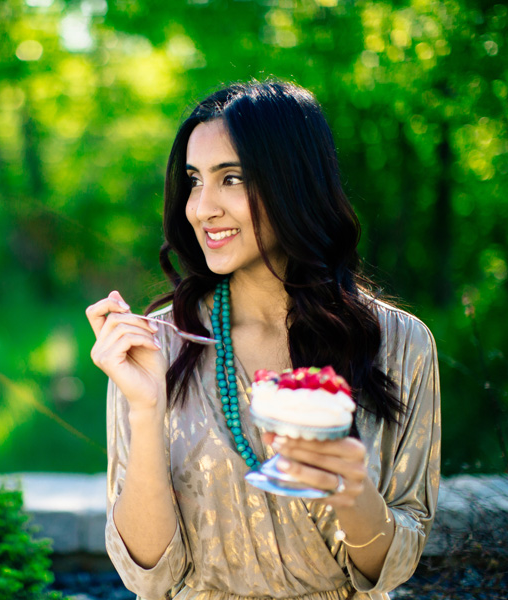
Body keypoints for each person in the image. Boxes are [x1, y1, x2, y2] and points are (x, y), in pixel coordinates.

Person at [85, 80, 440, 600]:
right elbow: (149, 575)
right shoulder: (157, 344)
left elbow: (392, 567)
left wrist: (351, 488)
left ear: (294, 183)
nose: (202, 207)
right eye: (193, 180)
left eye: (232, 178)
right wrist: (145, 407)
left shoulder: (399, 343)